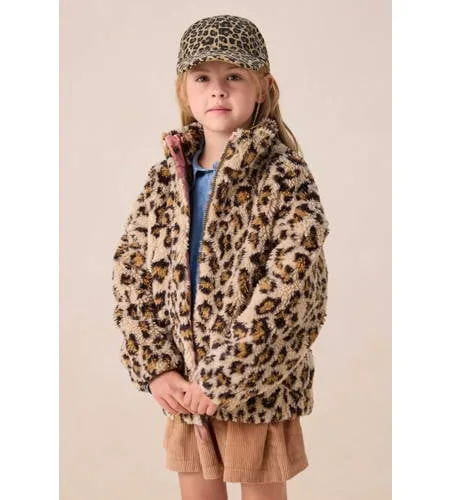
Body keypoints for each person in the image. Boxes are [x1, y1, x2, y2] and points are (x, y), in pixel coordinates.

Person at [112, 14, 330, 500]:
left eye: (234, 75)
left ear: (263, 87)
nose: (218, 90)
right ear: (184, 90)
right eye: (202, 78)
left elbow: (292, 290)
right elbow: (131, 272)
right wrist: (157, 366)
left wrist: (226, 374)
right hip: (184, 384)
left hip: (257, 382)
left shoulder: (284, 177)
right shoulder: (164, 181)